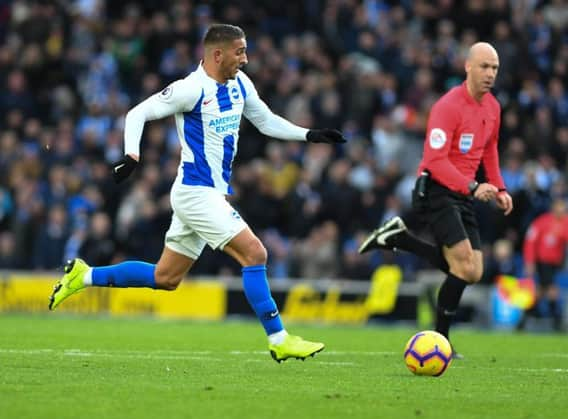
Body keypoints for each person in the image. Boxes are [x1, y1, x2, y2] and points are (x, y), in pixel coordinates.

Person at [48, 24, 346, 363]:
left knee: (166, 277)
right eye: (240, 52)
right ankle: (279, 338)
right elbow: (137, 113)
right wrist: (132, 155)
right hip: (196, 193)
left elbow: (265, 121)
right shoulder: (190, 89)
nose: (245, 59)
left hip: (205, 194)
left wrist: (310, 135)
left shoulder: (239, 84)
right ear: (217, 54)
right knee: (255, 253)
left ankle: (83, 275)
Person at [359, 42, 513, 355]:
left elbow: (490, 150)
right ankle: (441, 340)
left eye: (494, 68)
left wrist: (499, 187)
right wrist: (473, 187)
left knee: (473, 271)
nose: (490, 74)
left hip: (464, 194)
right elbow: (435, 161)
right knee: (463, 265)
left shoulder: (493, 107)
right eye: (484, 66)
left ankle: (400, 238)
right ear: (468, 67)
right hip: (437, 190)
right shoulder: (448, 106)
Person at [518, 198, 568, 332]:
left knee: (540, 292)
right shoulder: (542, 222)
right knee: (551, 290)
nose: (561, 210)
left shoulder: (565, 222)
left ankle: (523, 320)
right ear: (553, 208)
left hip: (556, 263)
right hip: (542, 262)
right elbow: (530, 241)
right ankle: (557, 322)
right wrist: (529, 262)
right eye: (559, 207)